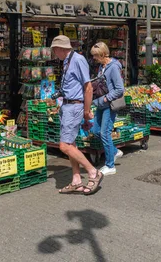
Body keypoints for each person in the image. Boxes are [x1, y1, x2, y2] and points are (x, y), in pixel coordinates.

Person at [51, 35, 104, 195]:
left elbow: (88, 87)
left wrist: (86, 111)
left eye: (54, 50)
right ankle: (76, 180)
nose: (54, 53)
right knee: (71, 144)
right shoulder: (67, 61)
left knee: (64, 146)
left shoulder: (78, 60)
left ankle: (93, 171)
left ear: (60, 48)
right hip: (68, 105)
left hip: (74, 106)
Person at [90, 42, 125, 176]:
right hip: (100, 104)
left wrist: (107, 98)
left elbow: (120, 89)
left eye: (95, 56)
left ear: (102, 54)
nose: (94, 58)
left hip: (109, 105)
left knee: (105, 132)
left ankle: (110, 165)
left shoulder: (113, 68)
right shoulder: (102, 66)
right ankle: (114, 151)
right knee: (95, 130)